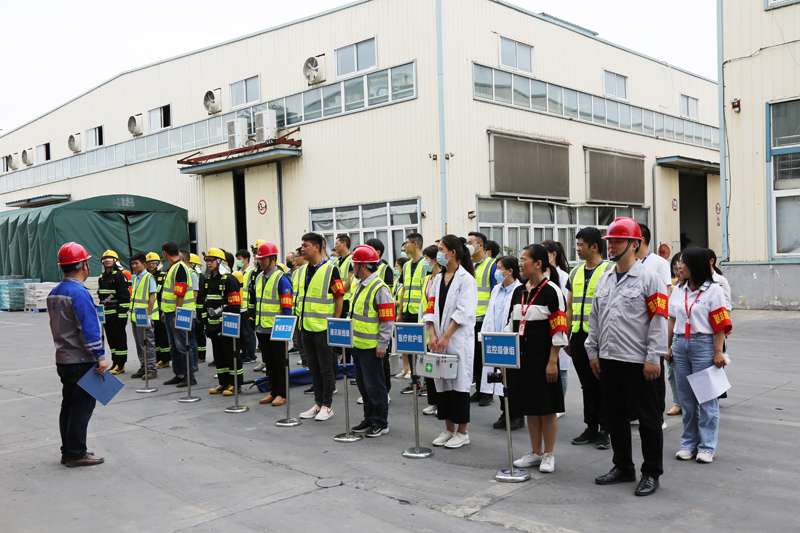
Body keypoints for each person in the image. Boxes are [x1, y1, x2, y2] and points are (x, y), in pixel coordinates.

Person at [587, 217, 668, 497]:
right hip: (609, 360)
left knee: (647, 419)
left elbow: (659, 319)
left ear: (635, 244)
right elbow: (595, 317)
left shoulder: (650, 279)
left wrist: (653, 357)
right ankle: (623, 467)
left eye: (618, 241)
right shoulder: (605, 277)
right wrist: (593, 351)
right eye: (610, 241)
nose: (612, 246)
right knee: (615, 416)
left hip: (638, 362)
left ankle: (651, 473)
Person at [667, 246, 731, 464]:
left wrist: (717, 352)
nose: (679, 266)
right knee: (687, 399)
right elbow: (672, 320)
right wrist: (667, 347)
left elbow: (721, 324)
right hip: (680, 344)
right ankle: (689, 444)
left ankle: (706, 446)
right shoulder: (678, 289)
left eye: (683, 262)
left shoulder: (714, 291)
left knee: (707, 399)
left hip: (703, 344)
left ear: (695, 265)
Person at [506, 245, 567, 473]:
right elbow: (510, 325)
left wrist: (553, 360)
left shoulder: (552, 291)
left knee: (547, 407)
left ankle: (548, 454)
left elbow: (559, 329)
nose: (520, 264)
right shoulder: (518, 291)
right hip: (522, 359)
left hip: (544, 359)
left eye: (524, 260)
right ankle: (535, 451)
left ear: (538, 263)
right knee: (531, 407)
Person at [48, 242, 106, 467]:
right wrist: (99, 355)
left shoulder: (56, 291)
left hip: (63, 359)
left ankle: (68, 450)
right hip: (81, 360)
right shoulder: (79, 292)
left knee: (69, 406)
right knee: (81, 408)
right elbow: (88, 328)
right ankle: (76, 453)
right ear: (84, 264)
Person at [424, 235, 478, 449]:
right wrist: (432, 334)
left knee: (459, 385)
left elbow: (463, 312)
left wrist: (445, 336)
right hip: (438, 339)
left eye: (441, 249)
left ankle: (462, 432)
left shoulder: (467, 280)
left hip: (456, 341)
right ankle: (449, 429)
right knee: (442, 383)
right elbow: (430, 307)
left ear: (452, 253)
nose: (438, 253)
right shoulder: (437, 279)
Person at [566, 228, 611, 449]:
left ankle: (606, 429)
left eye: (581, 244)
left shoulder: (610, 271)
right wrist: (566, 334)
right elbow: (569, 306)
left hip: (602, 338)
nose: (577, 248)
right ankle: (591, 427)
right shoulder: (575, 272)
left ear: (594, 246)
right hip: (578, 336)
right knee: (587, 384)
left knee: (603, 384)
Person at [296, 232, 345, 421]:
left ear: (317, 247)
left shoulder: (330, 269)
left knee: (326, 368)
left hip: (323, 328)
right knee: (313, 368)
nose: (302, 249)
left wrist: (335, 323)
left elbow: (338, 297)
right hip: (305, 326)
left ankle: (327, 405)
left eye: (306, 245)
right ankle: (317, 404)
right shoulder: (302, 271)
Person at [348, 245, 395, 437]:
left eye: (355, 264)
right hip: (358, 345)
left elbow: (387, 319)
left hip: (372, 348)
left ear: (363, 266)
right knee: (364, 386)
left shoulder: (379, 288)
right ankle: (369, 418)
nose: (352, 267)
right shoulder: (360, 284)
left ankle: (380, 422)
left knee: (376, 387)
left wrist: (383, 344)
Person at [480, 256, 523, 430]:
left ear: (510, 271)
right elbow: (490, 314)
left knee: (512, 380)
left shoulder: (520, 290)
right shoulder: (496, 289)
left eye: (499, 268)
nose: (497, 272)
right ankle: (504, 412)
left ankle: (517, 415)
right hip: (494, 339)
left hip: (510, 340)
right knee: (497, 378)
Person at [636, 223, 671, 428]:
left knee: (655, 371)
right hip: (635, 328)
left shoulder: (658, 263)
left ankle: (658, 414)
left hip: (653, 323)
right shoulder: (630, 263)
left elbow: (665, 292)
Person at [251, 242, 294, 406]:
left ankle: (282, 394)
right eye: (259, 259)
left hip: (277, 329)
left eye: (264, 259)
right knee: (269, 363)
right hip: (262, 328)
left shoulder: (281, 278)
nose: (260, 262)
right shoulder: (260, 278)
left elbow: (287, 307)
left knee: (280, 363)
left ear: (273, 259)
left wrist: (286, 331)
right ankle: (273, 391)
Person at [203, 248, 243, 395]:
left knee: (231, 355)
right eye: (207, 261)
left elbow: (234, 306)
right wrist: (207, 324)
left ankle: (236, 384)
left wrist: (227, 326)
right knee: (219, 357)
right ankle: (223, 382)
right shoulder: (209, 280)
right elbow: (206, 303)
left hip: (227, 326)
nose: (209, 263)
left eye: (212, 260)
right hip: (213, 326)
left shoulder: (230, 280)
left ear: (220, 262)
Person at [466, 232, 498, 406]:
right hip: (471, 318)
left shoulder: (491, 265)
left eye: (471, 242)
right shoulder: (468, 264)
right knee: (476, 357)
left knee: (487, 357)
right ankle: (479, 389)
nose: (468, 245)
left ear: (481, 245)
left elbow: (496, 292)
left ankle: (488, 392)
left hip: (485, 318)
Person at [160, 241, 196, 388]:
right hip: (171, 312)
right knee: (174, 345)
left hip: (181, 313)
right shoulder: (174, 268)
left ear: (165, 253)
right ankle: (179, 374)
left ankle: (189, 376)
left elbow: (180, 292)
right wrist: (166, 312)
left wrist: (177, 313)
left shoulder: (179, 268)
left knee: (183, 346)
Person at [542, 239, 570, 417]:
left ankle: (561, 402)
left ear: (553, 255)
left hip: (558, 323)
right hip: (542, 326)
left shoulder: (563, 276)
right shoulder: (540, 273)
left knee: (561, 368)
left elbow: (564, 304)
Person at [398, 233, 426, 394]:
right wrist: (400, 312)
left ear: (415, 244)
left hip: (420, 313)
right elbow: (403, 290)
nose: (405, 246)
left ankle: (426, 382)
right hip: (408, 312)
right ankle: (415, 381)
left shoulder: (425, 265)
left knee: (422, 349)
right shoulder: (407, 266)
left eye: (407, 243)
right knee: (409, 347)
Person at [97, 249, 130, 374]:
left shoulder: (118, 275)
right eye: (105, 259)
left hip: (117, 314)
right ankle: (115, 362)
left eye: (109, 259)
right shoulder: (102, 277)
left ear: (115, 261)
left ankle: (121, 364)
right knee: (111, 340)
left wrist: (122, 314)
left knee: (119, 340)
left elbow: (124, 296)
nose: (107, 261)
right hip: (107, 315)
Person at [129, 253, 157, 380]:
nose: (134, 266)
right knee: (140, 343)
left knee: (148, 343)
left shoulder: (148, 277)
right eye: (132, 263)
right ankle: (144, 366)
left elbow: (152, 296)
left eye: (136, 263)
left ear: (143, 264)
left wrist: (149, 314)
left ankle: (151, 369)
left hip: (145, 316)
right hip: (136, 316)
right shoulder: (136, 278)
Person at [666, 252, 684, 416]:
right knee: (672, 371)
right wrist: (668, 345)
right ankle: (678, 403)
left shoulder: (711, 287)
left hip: (697, 341)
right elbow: (670, 317)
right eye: (675, 267)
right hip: (676, 337)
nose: (679, 270)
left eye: (681, 266)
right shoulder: (673, 288)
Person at [146, 253, 171, 369]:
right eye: (149, 263)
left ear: (157, 264)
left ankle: (165, 359)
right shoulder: (145, 276)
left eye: (153, 263)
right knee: (153, 335)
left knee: (162, 334)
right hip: (149, 309)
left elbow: (161, 290)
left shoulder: (162, 276)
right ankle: (157, 357)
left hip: (160, 309)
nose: (151, 265)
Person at [236, 248, 258, 364]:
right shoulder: (239, 273)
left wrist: (251, 308)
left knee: (248, 332)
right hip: (240, 306)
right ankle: (244, 353)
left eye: (239, 259)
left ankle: (251, 355)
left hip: (247, 307)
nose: (238, 262)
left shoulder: (251, 273)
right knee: (242, 332)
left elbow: (251, 291)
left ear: (246, 260)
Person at [180, 250, 200, 373]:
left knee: (191, 339)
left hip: (189, 312)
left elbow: (194, 295)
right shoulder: (182, 272)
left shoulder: (192, 274)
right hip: (183, 312)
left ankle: (194, 363)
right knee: (185, 340)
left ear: (184, 260)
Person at [189, 254, 208, 364]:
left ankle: (202, 355)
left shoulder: (200, 278)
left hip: (199, 309)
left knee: (200, 333)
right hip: (196, 308)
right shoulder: (195, 276)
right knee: (196, 333)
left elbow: (198, 294)